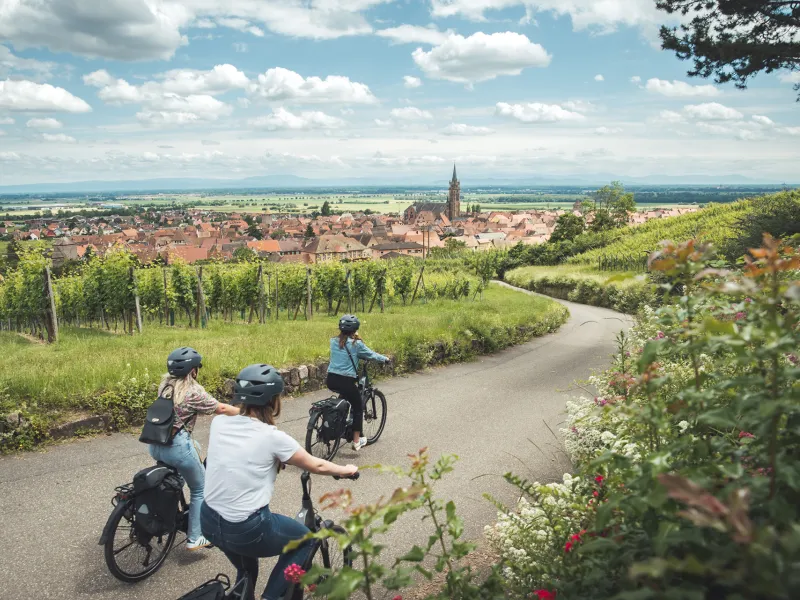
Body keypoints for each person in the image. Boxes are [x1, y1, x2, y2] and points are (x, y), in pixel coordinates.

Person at [201, 364, 358, 600]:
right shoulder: (272, 438)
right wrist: (346, 470)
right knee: (305, 541)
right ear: (273, 400)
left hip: (209, 521)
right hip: (246, 528)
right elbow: (318, 465)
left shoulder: (219, 423)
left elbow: (239, 418)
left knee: (246, 567)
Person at [148, 347, 239, 550]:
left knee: (193, 449)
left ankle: (174, 505)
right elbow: (221, 408)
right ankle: (195, 537)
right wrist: (246, 413)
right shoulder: (193, 391)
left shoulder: (165, 385)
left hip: (155, 445)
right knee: (200, 488)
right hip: (177, 447)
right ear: (193, 371)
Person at [326, 314, 390, 451]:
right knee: (358, 406)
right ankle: (356, 441)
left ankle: (338, 424)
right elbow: (371, 354)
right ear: (355, 330)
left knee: (344, 397)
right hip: (346, 381)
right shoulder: (356, 344)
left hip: (331, 379)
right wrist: (385, 359)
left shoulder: (333, 341)